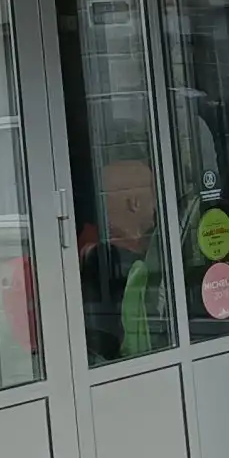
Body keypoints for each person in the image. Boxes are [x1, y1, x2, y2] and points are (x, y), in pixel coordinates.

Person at [79, 155, 167, 362]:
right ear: (134, 203)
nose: (157, 207)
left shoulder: (96, 252)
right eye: (154, 197)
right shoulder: (116, 263)